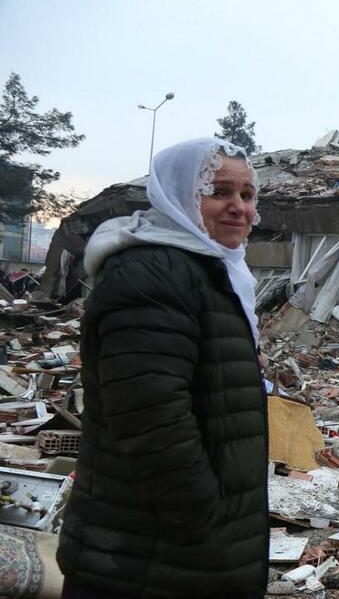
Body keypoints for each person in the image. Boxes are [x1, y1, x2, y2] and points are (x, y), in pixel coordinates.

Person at [57, 138, 268, 598]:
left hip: (173, 552)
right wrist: (204, 521)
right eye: (220, 192)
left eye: (248, 196)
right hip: (146, 557)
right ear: (179, 196)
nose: (239, 208)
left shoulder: (212, 271)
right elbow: (151, 419)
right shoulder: (152, 272)